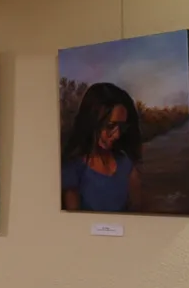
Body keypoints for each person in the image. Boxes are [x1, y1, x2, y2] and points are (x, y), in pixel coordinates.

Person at [61, 82, 142, 212]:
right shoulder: (73, 169)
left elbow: (139, 213)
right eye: (110, 126)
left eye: (122, 127)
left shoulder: (125, 164)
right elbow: (73, 219)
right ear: (92, 121)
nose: (117, 135)